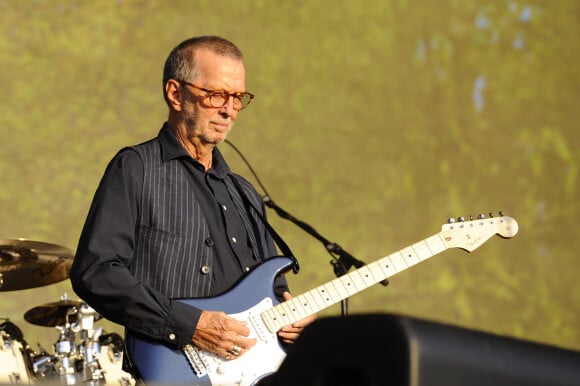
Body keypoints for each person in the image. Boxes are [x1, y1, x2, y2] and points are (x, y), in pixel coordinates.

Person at [70, 35, 316, 380]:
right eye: (217, 94)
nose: (229, 109)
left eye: (238, 97)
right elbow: (96, 271)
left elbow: (273, 290)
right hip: (170, 370)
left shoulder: (244, 192)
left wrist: (293, 319)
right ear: (175, 93)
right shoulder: (137, 167)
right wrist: (189, 324)